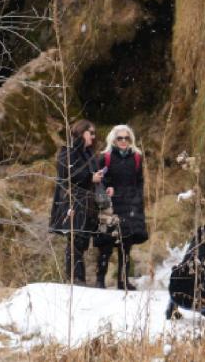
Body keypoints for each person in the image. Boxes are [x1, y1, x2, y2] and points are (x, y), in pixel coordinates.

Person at [49, 119, 103, 285]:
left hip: (87, 203)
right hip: (72, 203)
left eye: (94, 133)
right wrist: (90, 177)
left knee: (83, 241)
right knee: (75, 240)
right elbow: (68, 174)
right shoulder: (68, 151)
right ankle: (75, 279)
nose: (93, 136)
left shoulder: (89, 153)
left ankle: (79, 279)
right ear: (81, 132)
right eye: (90, 133)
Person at [95, 125, 148, 290]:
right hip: (111, 205)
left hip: (130, 204)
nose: (124, 141)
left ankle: (123, 281)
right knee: (106, 243)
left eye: (127, 138)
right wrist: (107, 189)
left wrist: (138, 200)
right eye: (120, 138)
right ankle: (100, 280)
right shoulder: (106, 157)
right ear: (114, 139)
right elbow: (99, 179)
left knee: (126, 245)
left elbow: (139, 181)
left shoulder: (137, 158)